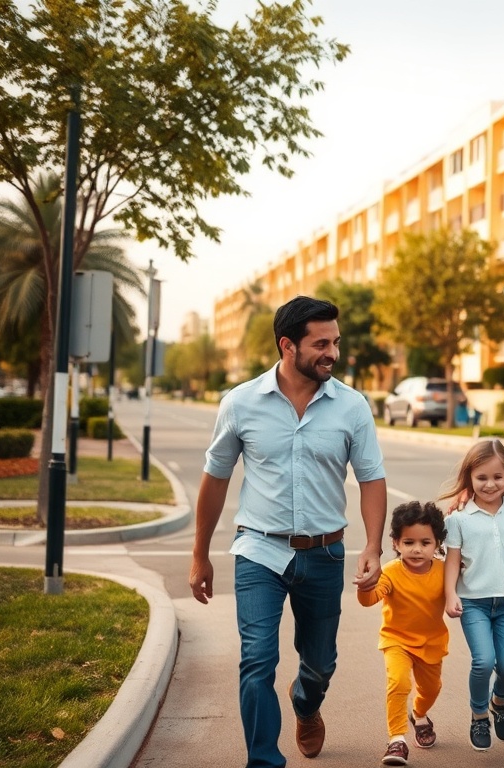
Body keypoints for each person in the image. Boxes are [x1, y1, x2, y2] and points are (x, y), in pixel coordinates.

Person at [188, 296, 387, 768]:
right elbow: (215, 479)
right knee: (257, 659)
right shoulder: (240, 403)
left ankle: (306, 703)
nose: (332, 353)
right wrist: (200, 555)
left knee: (319, 665)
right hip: (258, 550)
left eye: (335, 342)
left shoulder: (351, 406)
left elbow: (372, 478)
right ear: (287, 345)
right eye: (321, 343)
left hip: (324, 553)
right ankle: (263, 760)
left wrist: (374, 546)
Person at [440, 439, 504, 752]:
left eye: (497, 477)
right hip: (473, 604)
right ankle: (479, 714)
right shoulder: (458, 519)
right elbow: (452, 561)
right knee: (483, 661)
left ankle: (500, 701)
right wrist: (449, 595)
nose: (490, 484)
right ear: (469, 478)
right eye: (481, 477)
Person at [358, 500, 449, 767]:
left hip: (432, 641)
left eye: (425, 542)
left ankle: (419, 714)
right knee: (398, 682)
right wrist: (365, 586)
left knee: (431, 689)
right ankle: (397, 739)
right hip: (396, 639)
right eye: (409, 542)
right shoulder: (391, 572)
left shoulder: (445, 572)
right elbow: (370, 599)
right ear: (396, 543)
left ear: (437, 544)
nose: (417, 549)